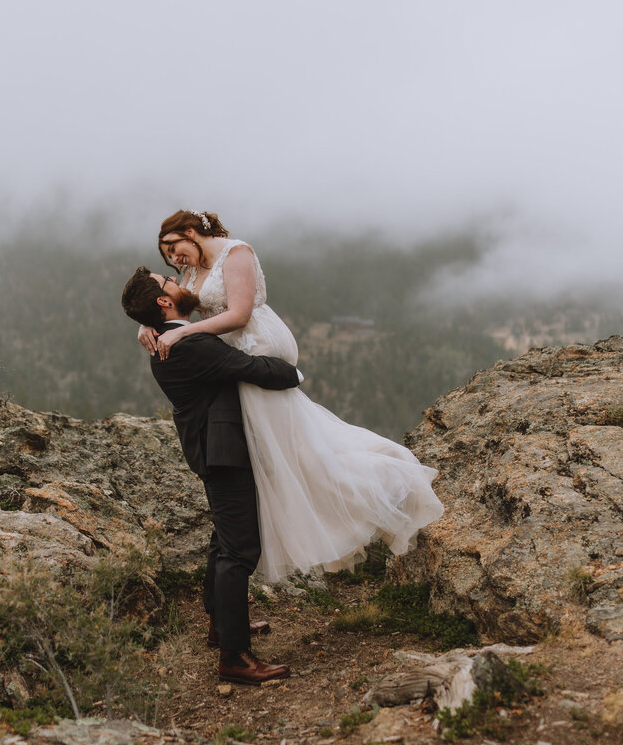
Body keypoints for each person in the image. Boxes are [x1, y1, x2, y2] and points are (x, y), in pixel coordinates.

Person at [138, 210, 444, 583]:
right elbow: (174, 303)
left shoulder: (236, 254)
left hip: (254, 346)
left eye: (174, 248)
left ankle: (372, 492)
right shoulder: (191, 268)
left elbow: (238, 314)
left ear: (190, 232)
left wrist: (183, 334)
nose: (173, 260)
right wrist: (146, 323)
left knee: (296, 451)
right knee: (279, 453)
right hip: (229, 360)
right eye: (166, 256)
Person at [122, 266, 301, 685]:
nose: (180, 282)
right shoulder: (189, 346)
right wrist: (294, 374)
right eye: (170, 281)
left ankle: (222, 627)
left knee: (224, 539)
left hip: (214, 450)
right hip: (224, 454)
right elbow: (253, 368)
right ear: (165, 303)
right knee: (239, 550)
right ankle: (234, 658)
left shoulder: (172, 338)